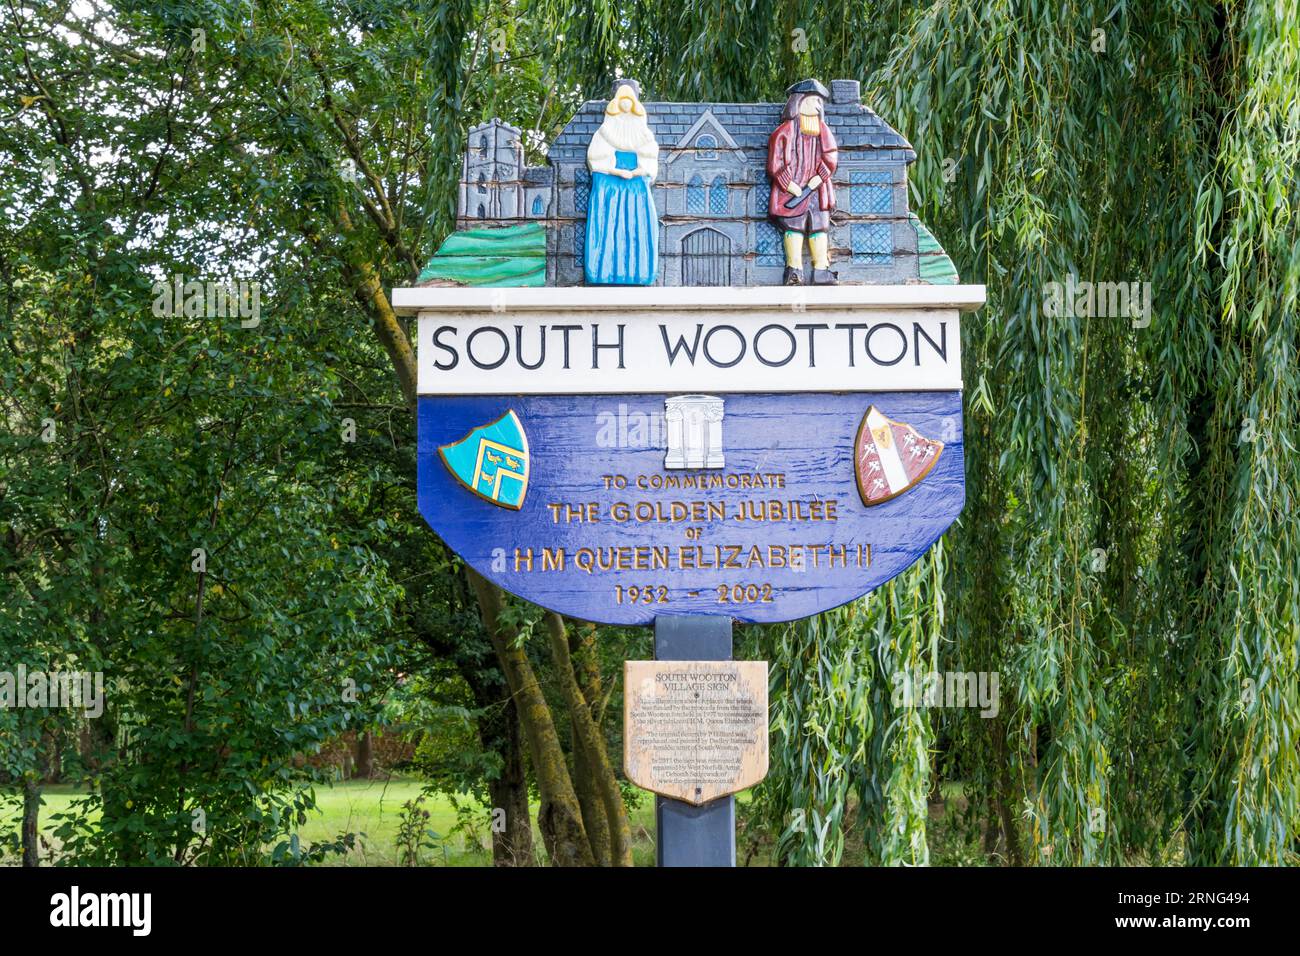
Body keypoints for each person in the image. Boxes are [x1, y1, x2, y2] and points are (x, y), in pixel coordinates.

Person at [584, 80, 660, 285]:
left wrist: (636, 172)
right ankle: (604, 271)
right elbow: (597, 159)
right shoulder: (605, 132)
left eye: (629, 103)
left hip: (636, 188)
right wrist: (616, 171)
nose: (626, 108)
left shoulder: (643, 134)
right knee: (608, 227)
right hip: (610, 186)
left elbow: (649, 160)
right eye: (622, 103)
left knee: (637, 230)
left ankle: (639, 272)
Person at [767, 78, 839, 285]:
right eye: (812, 100)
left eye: (820, 102)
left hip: (817, 190)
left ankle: (821, 270)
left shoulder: (823, 131)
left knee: (819, 228)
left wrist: (820, 176)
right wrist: (789, 185)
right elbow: (776, 162)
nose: (817, 106)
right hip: (791, 190)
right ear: (799, 102)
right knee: (794, 227)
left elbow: (831, 155)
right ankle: (795, 270)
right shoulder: (783, 132)